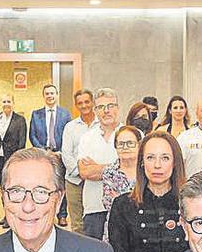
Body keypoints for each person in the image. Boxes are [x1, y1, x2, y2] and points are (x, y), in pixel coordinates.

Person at [76, 88, 121, 239]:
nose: (106, 111)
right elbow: (84, 172)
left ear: (118, 108)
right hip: (94, 208)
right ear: (95, 110)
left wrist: (97, 168)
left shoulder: (131, 135)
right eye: (101, 107)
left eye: (110, 106)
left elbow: (132, 169)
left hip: (124, 206)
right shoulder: (87, 138)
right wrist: (116, 168)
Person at [61, 88, 98, 230]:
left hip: (96, 181)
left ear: (93, 102)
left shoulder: (101, 125)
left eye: (87, 102)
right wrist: (80, 172)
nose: (84, 106)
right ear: (76, 106)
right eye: (80, 103)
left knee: (95, 221)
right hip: (74, 181)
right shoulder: (70, 127)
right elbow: (66, 154)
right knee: (77, 223)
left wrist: (93, 172)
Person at [100, 125, 143, 219]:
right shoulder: (109, 172)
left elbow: (149, 204)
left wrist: (120, 199)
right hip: (116, 225)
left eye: (130, 143)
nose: (125, 147)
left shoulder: (147, 170)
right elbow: (109, 204)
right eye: (121, 144)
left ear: (139, 145)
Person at [0, 94, 28, 186]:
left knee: (11, 182)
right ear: (1, 103)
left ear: (13, 103)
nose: (6, 104)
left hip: (12, 157)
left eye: (9, 101)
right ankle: (3, 198)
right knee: (0, 182)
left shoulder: (20, 120)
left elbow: (22, 142)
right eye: (4, 101)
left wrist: (19, 159)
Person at [29, 84, 71, 152]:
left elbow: (69, 136)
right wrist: (42, 151)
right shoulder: (35, 114)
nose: (49, 96)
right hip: (42, 153)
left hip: (61, 153)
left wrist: (60, 152)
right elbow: (32, 136)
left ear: (57, 95)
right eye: (47, 94)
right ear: (43, 96)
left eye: (52, 93)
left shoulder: (65, 114)